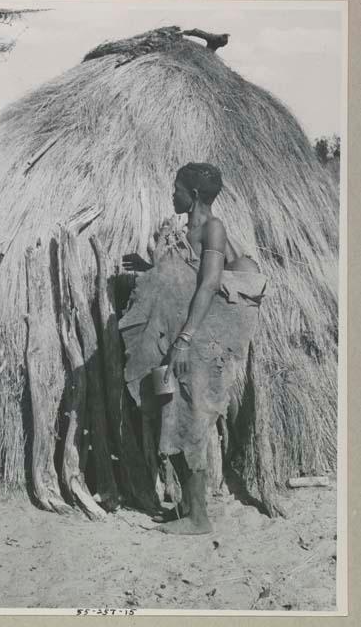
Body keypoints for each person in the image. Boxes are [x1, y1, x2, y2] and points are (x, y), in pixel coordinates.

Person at [120, 163, 266, 535]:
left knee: (192, 417)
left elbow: (208, 283)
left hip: (193, 341)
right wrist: (148, 268)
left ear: (195, 195)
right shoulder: (182, 232)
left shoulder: (212, 228)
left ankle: (199, 518)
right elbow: (181, 276)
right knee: (171, 412)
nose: (173, 196)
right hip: (172, 340)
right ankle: (185, 507)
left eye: (177, 190)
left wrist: (185, 339)